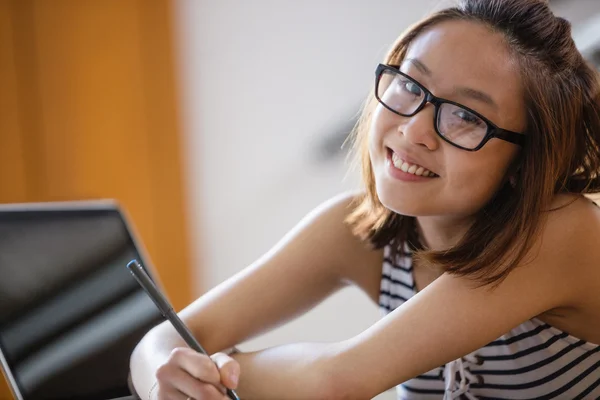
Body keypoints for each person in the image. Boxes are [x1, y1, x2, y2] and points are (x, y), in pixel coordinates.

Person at [129, 0, 600, 398]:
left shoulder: (559, 233)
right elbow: (162, 338)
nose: (413, 129)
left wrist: (208, 377)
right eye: (411, 86)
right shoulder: (357, 228)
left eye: (464, 116)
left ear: (526, 160)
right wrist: (163, 379)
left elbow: (338, 378)